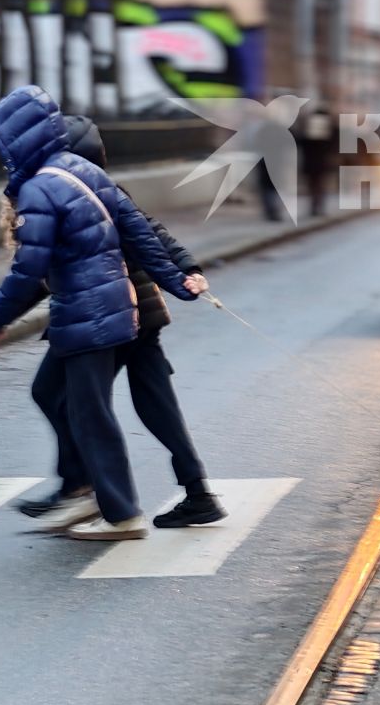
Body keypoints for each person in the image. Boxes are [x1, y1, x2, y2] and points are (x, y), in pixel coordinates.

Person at [0, 86, 201, 541]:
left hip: (87, 313)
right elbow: (138, 231)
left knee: (90, 415)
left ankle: (119, 513)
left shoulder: (40, 188)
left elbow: (29, 268)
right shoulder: (81, 171)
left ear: (14, 140)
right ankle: (93, 496)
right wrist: (179, 281)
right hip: (114, 306)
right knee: (73, 403)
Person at [18, 115, 225, 531]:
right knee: (155, 407)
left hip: (107, 317)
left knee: (65, 398)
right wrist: (187, 267)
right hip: (138, 313)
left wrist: (2, 313)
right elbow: (153, 234)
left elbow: (50, 266)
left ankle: (84, 489)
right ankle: (197, 491)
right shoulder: (99, 188)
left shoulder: (79, 192)